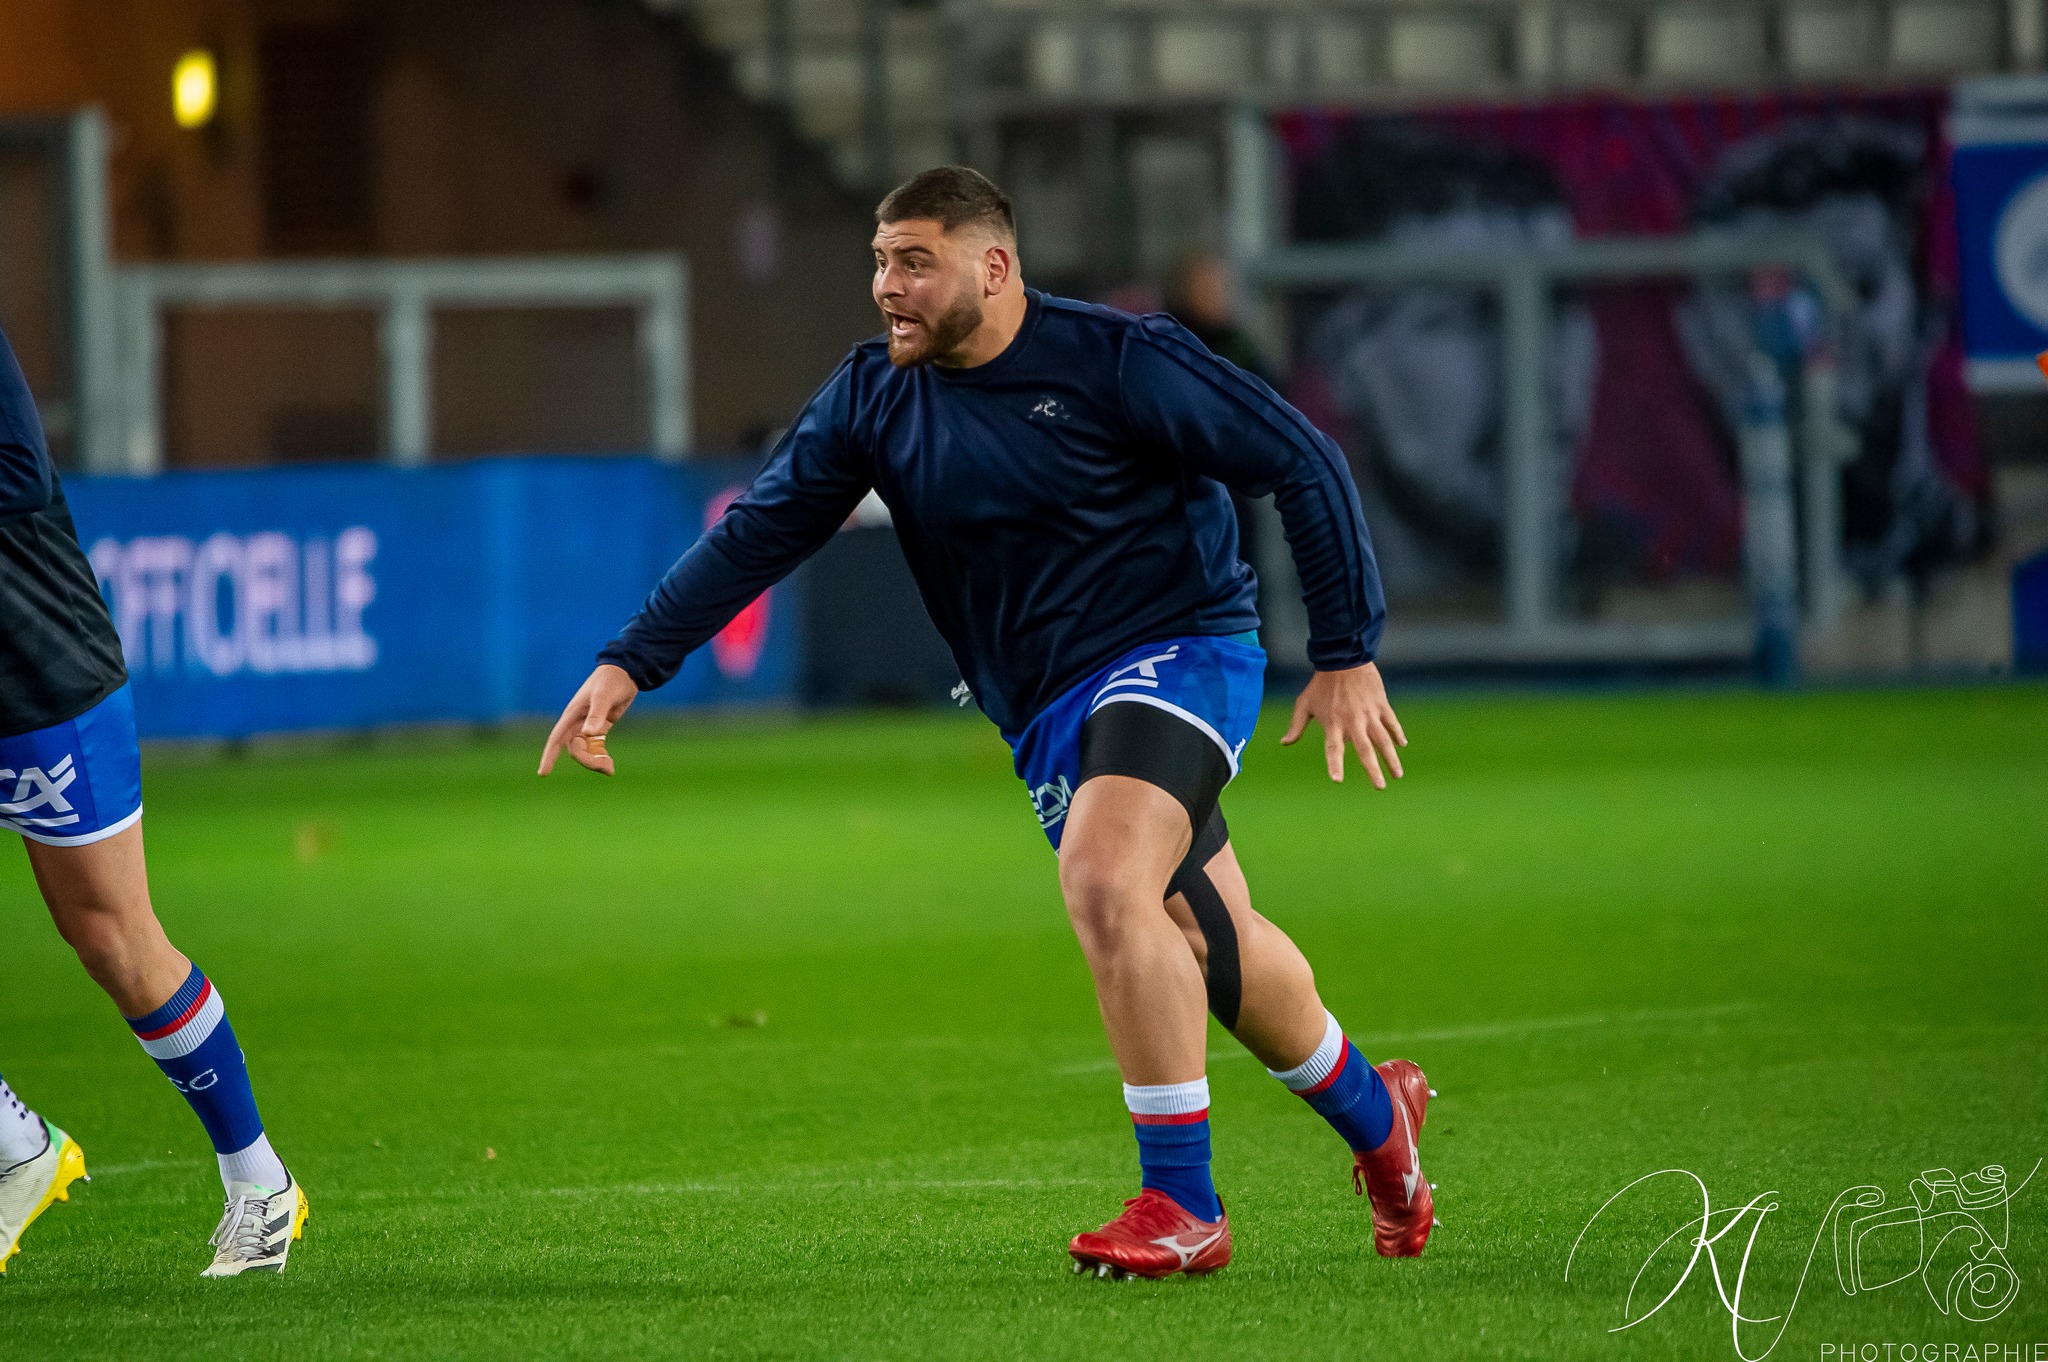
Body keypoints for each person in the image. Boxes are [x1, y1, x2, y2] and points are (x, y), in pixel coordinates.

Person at [540, 167, 1435, 1279]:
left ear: (993, 268)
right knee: (1204, 939)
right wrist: (634, 657)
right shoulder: (872, 397)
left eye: (913, 261)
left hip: (1180, 651)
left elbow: (1299, 459)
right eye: (879, 261)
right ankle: (1378, 1121)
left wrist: (1345, 650)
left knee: (1106, 883)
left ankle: (1181, 1205)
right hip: (1044, 707)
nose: (886, 287)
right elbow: (761, 530)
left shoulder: (1118, 360)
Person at [0, 324, 307, 1278]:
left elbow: (11, 481)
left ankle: (262, 1185)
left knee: (114, 941)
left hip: (35, 666)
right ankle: (16, 1151)